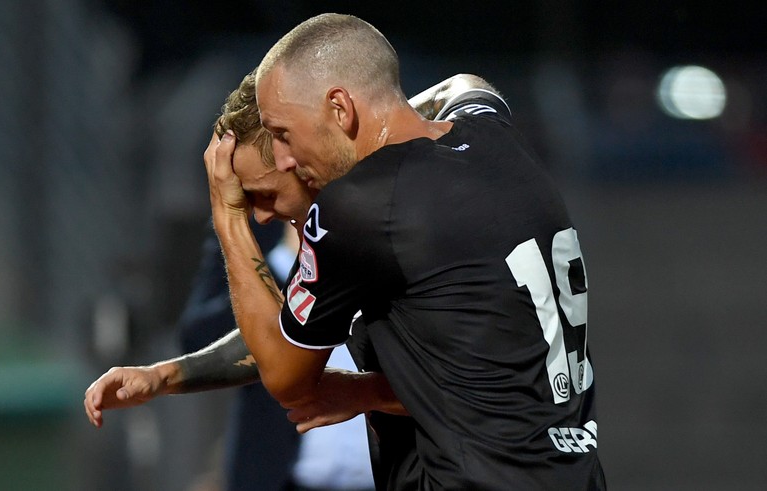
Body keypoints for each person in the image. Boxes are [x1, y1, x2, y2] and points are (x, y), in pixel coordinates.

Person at [204, 13, 606, 490]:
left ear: (339, 108)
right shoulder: (494, 134)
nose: (286, 158)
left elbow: (286, 376)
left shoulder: (360, 205)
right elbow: (466, 85)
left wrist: (229, 216)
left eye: (285, 133)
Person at [86, 69, 483, 490]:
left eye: (264, 193)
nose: (259, 214)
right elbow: (246, 334)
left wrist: (363, 394)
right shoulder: (303, 238)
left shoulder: (400, 222)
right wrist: (163, 376)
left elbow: (465, 384)